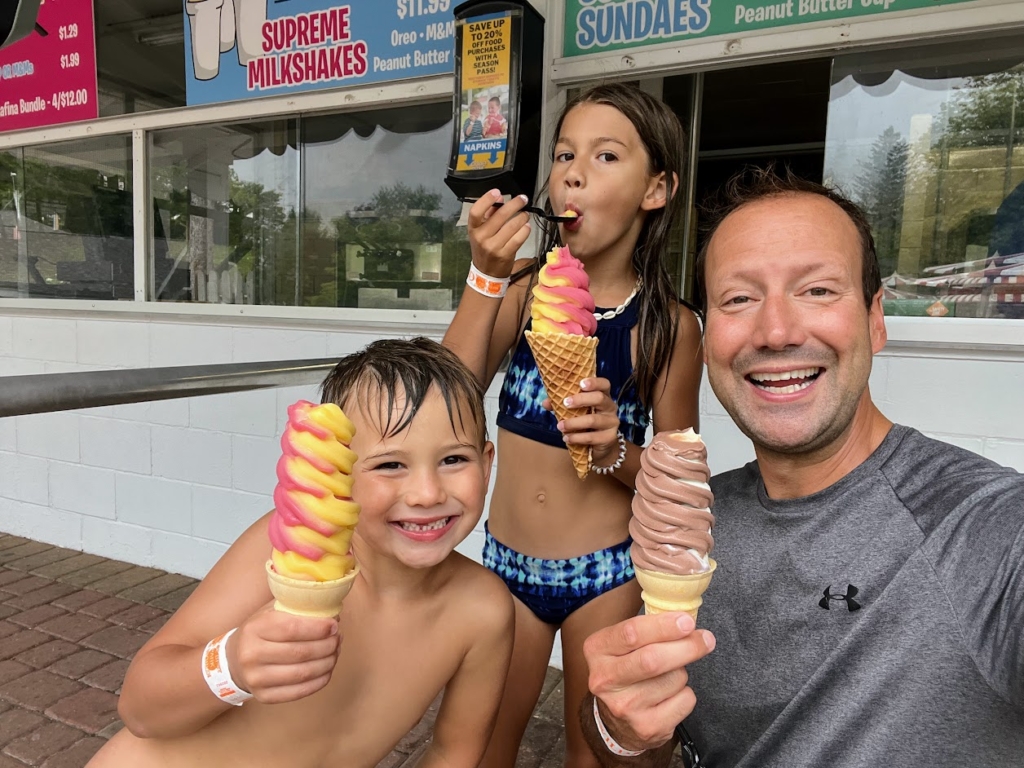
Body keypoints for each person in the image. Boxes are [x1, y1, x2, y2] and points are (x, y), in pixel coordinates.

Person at [581, 167, 1024, 767]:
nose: (775, 331)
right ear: (708, 340)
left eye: (816, 290)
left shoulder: (984, 527)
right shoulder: (696, 522)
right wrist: (619, 728)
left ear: (875, 319)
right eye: (739, 299)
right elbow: (650, 742)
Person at [88, 338, 515, 768]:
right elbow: (139, 708)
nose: (427, 493)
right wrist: (231, 665)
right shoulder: (287, 549)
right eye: (390, 465)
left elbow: (454, 752)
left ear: (486, 464)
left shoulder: (483, 611)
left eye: (453, 460)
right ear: (337, 472)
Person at [443, 83, 704, 767]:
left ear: (656, 189)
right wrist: (484, 277)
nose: (573, 174)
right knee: (483, 748)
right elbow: (446, 400)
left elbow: (678, 487)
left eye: (605, 156)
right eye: (564, 155)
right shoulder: (523, 288)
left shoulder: (670, 328)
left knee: (594, 755)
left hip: (607, 575)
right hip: (506, 568)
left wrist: (615, 450)